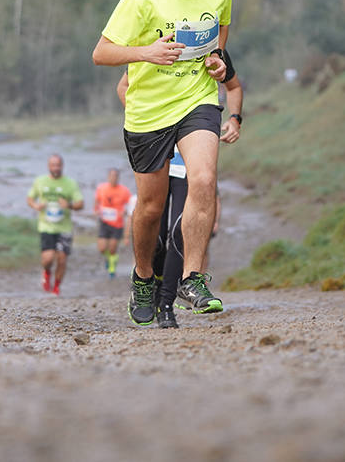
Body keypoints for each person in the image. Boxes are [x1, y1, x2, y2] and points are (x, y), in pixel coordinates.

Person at [117, 60, 243, 328]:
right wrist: (147, 121)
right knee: (158, 235)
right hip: (158, 150)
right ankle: (147, 285)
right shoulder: (156, 45)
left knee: (178, 235)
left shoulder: (208, 46)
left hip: (187, 162)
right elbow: (123, 87)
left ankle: (166, 307)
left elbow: (233, 86)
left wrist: (234, 118)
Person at [27, 154, 83, 296]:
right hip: (46, 226)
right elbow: (30, 198)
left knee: (62, 259)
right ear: (48, 166)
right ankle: (46, 272)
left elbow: (80, 204)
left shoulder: (70, 183)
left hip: (64, 227)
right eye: (53, 165)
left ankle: (56, 288)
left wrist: (69, 205)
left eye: (58, 165)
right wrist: (36, 205)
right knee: (48, 258)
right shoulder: (40, 181)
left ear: (62, 166)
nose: (56, 168)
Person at [93, 168, 132, 278]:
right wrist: (96, 210)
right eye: (111, 176)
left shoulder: (124, 191)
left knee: (113, 248)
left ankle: (112, 268)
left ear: (118, 178)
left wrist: (124, 211)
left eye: (115, 176)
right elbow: (97, 200)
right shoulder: (102, 188)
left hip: (117, 223)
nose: (113, 178)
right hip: (104, 221)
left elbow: (130, 204)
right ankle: (108, 259)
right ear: (108, 177)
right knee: (102, 248)